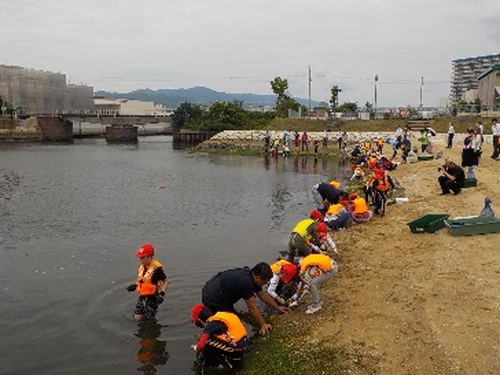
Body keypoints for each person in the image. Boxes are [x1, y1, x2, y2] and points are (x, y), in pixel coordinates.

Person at [201, 263, 287, 336]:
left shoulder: (251, 275)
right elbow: (252, 307)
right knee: (231, 321)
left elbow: (263, 295)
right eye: (264, 282)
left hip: (217, 287)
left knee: (237, 315)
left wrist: (278, 308)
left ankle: (240, 316)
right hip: (212, 297)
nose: (264, 284)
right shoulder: (246, 283)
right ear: (257, 277)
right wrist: (263, 324)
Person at [191, 304, 248, 369]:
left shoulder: (211, 325)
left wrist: (197, 349)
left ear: (200, 320)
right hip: (244, 340)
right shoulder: (221, 314)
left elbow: (201, 345)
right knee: (211, 338)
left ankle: (214, 364)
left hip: (236, 349)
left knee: (206, 341)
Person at [127, 244, 169, 321]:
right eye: (140, 257)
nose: (140, 259)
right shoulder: (142, 266)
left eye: (143, 257)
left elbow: (166, 281)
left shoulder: (157, 270)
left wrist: (162, 294)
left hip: (152, 297)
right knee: (137, 318)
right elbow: (143, 280)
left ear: (150, 257)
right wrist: (135, 285)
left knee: (149, 319)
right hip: (142, 295)